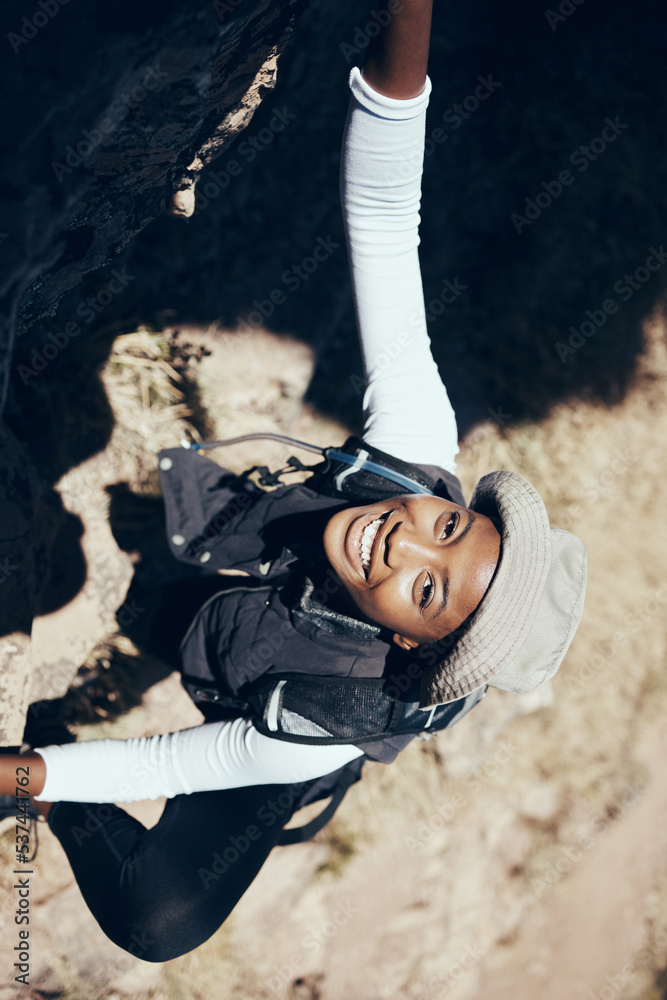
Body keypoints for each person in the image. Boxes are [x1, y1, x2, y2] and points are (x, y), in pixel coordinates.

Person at [0, 0, 587, 963]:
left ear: (407, 639)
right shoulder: (413, 449)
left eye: (427, 589)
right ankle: (175, 611)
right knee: (169, 606)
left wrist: (29, 773)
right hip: (276, 615)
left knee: (162, 921)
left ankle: (228, 778)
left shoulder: (323, 722)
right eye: (445, 527)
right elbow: (386, 223)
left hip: (291, 713)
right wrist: (408, 25)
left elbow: (165, 764)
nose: (403, 540)